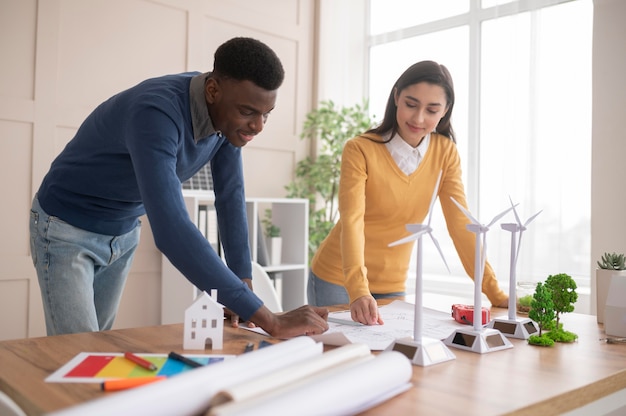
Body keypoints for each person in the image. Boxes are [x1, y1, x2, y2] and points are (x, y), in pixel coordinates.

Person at [30, 37, 328, 337]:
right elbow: (171, 230)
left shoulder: (226, 121)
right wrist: (271, 320)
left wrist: (243, 286)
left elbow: (230, 197)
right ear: (213, 90)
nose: (258, 126)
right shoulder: (156, 114)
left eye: (266, 114)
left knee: (96, 347)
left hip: (123, 232)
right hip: (65, 226)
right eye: (249, 111)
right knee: (78, 351)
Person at [308, 60, 508, 325]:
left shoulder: (445, 152)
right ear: (396, 98)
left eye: (431, 109)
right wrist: (358, 289)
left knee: (394, 360)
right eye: (411, 105)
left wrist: (494, 293)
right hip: (339, 279)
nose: (418, 118)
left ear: (445, 111)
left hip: (392, 284)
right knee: (345, 358)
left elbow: (461, 224)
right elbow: (352, 219)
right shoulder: (360, 149)